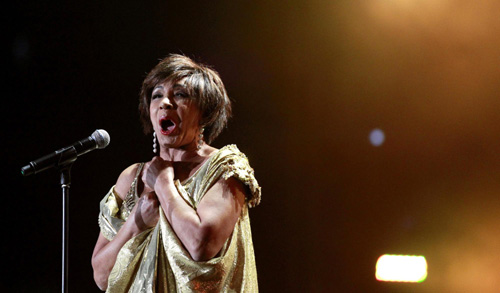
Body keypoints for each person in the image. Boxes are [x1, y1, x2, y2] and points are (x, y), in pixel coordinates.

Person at [91, 54, 261, 292]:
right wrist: (135, 223)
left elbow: (202, 245)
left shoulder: (225, 167)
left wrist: (163, 184)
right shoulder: (130, 178)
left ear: (204, 112)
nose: (165, 103)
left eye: (180, 94)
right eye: (157, 95)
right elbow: (101, 276)